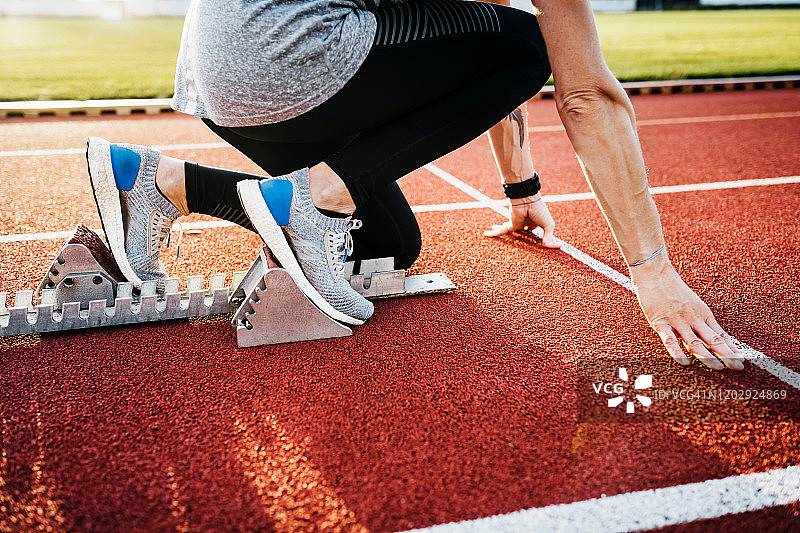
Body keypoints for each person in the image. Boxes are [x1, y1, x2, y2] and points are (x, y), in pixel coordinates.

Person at [85, 0, 743, 371]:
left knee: (388, 245)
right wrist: (653, 272)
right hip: (287, 53)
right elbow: (583, 91)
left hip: (218, 79)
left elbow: (473, 45)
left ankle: (161, 184)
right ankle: (317, 199)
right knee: (531, 44)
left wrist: (521, 189)